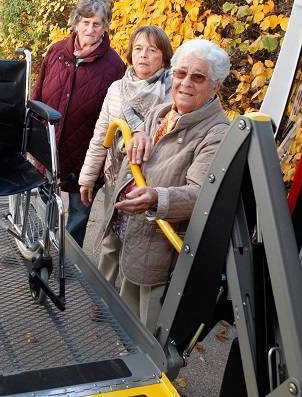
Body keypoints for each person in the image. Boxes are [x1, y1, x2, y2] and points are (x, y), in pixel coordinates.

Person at [98, 39, 231, 332]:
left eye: (198, 77)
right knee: (125, 322)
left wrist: (156, 198)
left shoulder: (217, 133)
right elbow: (133, 142)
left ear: (216, 86)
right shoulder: (161, 112)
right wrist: (139, 135)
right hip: (132, 232)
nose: (185, 83)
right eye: (181, 73)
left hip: (161, 251)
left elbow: (201, 196)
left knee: (148, 333)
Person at [78, 25, 173, 286]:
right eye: (139, 49)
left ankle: (129, 298)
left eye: (152, 50)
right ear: (131, 53)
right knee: (111, 237)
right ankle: (104, 291)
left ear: (164, 56)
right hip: (116, 177)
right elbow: (100, 137)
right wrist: (87, 178)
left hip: (153, 178)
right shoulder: (117, 90)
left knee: (142, 241)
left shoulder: (174, 91)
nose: (143, 56)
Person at [32, 0, 125, 246]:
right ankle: (42, 250)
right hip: (49, 143)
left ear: (105, 27)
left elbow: (116, 113)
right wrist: (32, 132)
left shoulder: (114, 66)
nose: (90, 29)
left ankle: (69, 259)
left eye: (97, 24)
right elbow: (38, 93)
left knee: (79, 212)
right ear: (76, 22)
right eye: (85, 22)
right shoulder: (56, 51)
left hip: (86, 150)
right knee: (44, 203)